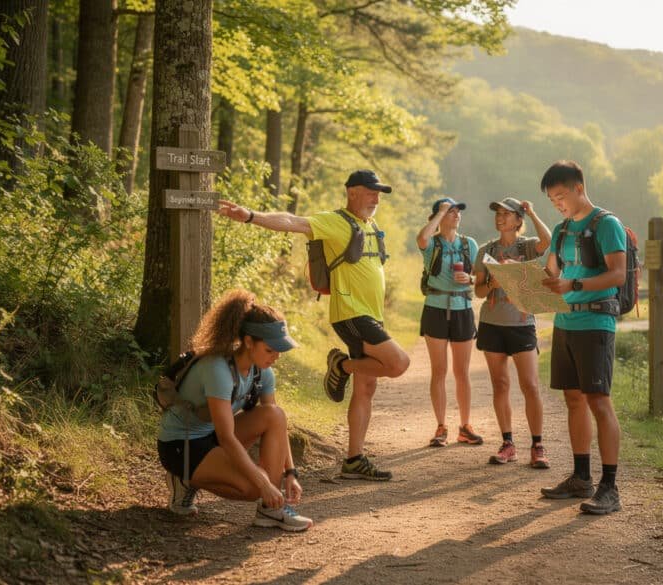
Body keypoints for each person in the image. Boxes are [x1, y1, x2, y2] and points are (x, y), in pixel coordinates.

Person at [218, 170, 410, 481]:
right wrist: (251, 216)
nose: (376, 198)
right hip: (351, 313)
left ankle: (354, 459)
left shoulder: (370, 224)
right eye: (371, 192)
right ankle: (342, 366)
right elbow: (293, 222)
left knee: (367, 386)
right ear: (352, 193)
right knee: (399, 363)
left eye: (379, 194)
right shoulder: (336, 221)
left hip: (371, 314)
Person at [156, 289, 313, 531]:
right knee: (253, 488)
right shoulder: (218, 369)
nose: (277, 357)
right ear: (249, 342)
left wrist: (290, 473)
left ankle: (271, 511)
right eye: (270, 350)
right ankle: (184, 479)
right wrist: (263, 484)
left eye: (279, 350)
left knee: (275, 414)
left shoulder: (262, 371)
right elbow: (228, 438)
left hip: (212, 437)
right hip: (182, 444)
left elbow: (277, 426)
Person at [538, 160, 627, 515]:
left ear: (578, 188)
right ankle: (580, 478)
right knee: (573, 400)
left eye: (561, 196)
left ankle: (610, 487)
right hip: (565, 322)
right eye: (552, 200)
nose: (558, 203)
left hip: (595, 323)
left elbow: (618, 274)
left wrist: (574, 284)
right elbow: (551, 269)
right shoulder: (561, 231)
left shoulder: (606, 224)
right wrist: (519, 278)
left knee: (598, 401)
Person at [472, 196, 552, 468]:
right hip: (492, 324)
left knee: (530, 385)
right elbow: (479, 291)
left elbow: (548, 241)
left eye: (507, 214)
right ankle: (508, 444)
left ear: (518, 220)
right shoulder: (486, 250)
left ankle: (538, 445)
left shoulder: (527, 246)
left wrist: (533, 213)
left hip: (522, 324)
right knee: (500, 385)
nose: (500, 217)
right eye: (498, 213)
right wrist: (493, 283)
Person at [416, 197, 482, 447]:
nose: (456, 215)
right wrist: (440, 212)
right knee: (439, 370)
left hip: (462, 308)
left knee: (462, 372)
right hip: (434, 308)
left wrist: (471, 279)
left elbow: (481, 276)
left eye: (457, 211)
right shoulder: (431, 243)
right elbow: (421, 239)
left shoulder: (469, 244)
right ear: (439, 217)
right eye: (450, 211)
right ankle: (441, 426)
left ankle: (465, 426)